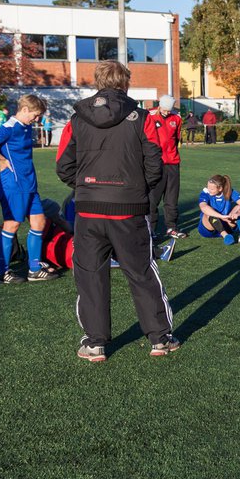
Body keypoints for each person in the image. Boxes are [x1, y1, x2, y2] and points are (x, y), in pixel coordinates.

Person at [56, 60, 180, 362]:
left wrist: (88, 187)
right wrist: (135, 189)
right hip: (128, 211)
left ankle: (95, 343)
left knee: (90, 276)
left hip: (88, 212)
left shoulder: (77, 119)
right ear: (125, 83)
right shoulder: (142, 118)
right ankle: (160, 339)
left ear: (98, 82)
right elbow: (155, 163)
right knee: (141, 272)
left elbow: (63, 165)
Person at [0, 94, 60, 285]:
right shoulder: (9, 127)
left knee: (39, 222)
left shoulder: (26, 126)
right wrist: (2, 160)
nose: (37, 119)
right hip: (13, 184)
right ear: (24, 110)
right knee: (12, 225)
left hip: (29, 183)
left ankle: (34, 269)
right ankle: (3, 272)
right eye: (35, 115)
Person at [146, 94, 187, 240]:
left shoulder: (176, 118)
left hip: (173, 163)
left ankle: (172, 228)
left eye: (169, 110)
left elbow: (175, 139)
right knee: (153, 199)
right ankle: (151, 229)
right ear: (159, 105)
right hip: (156, 163)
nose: (167, 112)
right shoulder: (149, 116)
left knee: (171, 198)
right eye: (164, 109)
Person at [197, 174, 240, 244]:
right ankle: (226, 236)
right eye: (208, 187)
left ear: (220, 188)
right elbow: (203, 207)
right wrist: (222, 217)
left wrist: (238, 213)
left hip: (227, 225)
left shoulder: (229, 191)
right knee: (209, 212)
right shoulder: (205, 192)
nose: (209, 190)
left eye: (212, 189)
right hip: (208, 230)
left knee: (239, 207)